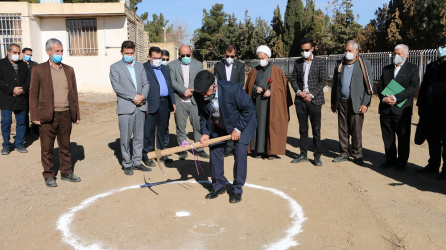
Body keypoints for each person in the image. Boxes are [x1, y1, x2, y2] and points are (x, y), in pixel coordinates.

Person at [193, 70, 257, 203]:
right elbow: (204, 115)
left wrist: (238, 129)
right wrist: (205, 132)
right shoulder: (199, 94)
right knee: (215, 151)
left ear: (214, 86)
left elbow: (249, 109)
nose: (203, 95)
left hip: (242, 123)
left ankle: (237, 189)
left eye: (206, 92)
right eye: (201, 92)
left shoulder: (232, 89)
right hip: (218, 123)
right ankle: (218, 185)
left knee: (239, 152)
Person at [29, 38, 81, 187]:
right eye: (57, 51)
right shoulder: (39, 70)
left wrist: (76, 114)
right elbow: (33, 94)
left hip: (65, 114)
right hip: (47, 115)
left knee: (65, 147)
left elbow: (74, 93)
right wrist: (34, 116)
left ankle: (66, 172)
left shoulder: (69, 70)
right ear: (48, 52)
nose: (60, 54)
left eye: (61, 51)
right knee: (47, 148)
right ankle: (49, 175)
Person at [110, 40, 152, 176]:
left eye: (131, 53)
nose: (129, 55)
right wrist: (134, 96)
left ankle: (137, 161)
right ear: (122, 53)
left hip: (140, 106)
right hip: (126, 107)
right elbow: (117, 87)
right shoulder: (115, 67)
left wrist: (142, 97)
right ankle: (127, 163)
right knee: (125, 138)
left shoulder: (140, 67)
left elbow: (146, 83)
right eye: (127, 53)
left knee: (139, 137)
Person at [244, 45, 292, 160]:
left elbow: (282, 89)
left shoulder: (277, 71)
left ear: (268, 57)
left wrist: (272, 91)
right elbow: (249, 86)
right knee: (259, 126)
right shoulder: (253, 71)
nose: (261, 61)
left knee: (271, 126)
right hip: (257, 104)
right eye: (259, 58)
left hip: (272, 105)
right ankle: (259, 150)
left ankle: (271, 151)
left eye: (262, 58)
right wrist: (255, 88)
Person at [331, 40, 373, 166]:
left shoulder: (364, 64)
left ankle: (357, 154)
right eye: (346, 50)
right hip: (342, 101)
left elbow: (369, 86)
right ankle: (344, 153)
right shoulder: (340, 64)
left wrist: (365, 103)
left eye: (349, 51)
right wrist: (334, 102)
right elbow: (335, 85)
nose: (347, 53)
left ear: (356, 51)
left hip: (357, 102)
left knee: (356, 130)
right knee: (342, 129)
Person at [377, 44, 419, 172]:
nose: (396, 56)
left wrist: (396, 98)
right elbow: (380, 86)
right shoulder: (386, 69)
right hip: (386, 109)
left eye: (399, 54)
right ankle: (390, 160)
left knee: (403, 137)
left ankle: (401, 163)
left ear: (406, 55)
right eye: (395, 53)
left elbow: (413, 88)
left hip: (401, 109)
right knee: (387, 136)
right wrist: (384, 98)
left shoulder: (412, 68)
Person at [290, 38, 326, 166]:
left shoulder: (320, 62)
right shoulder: (298, 63)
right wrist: (299, 92)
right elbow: (293, 80)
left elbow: (323, 81)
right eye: (302, 50)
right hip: (300, 100)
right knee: (303, 129)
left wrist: (311, 95)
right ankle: (303, 154)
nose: (304, 52)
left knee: (316, 130)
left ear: (312, 49)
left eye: (306, 49)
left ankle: (317, 156)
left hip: (315, 101)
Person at [169, 44, 209, 160]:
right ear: (179, 55)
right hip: (180, 101)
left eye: (188, 55)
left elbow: (199, 79)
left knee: (197, 126)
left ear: (191, 54)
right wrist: (183, 90)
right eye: (183, 55)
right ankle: (183, 149)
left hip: (194, 101)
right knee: (181, 127)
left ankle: (199, 148)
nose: (186, 57)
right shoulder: (172, 65)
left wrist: (190, 91)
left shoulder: (197, 64)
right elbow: (172, 81)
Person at [416, 36, 446, 180]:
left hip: (444, 112)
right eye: (439, 45)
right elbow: (423, 88)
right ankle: (433, 164)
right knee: (432, 139)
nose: (441, 47)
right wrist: (420, 106)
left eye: (444, 45)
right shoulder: (432, 66)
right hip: (430, 110)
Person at [142, 47, 176, 166]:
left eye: (159, 58)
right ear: (149, 57)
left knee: (162, 130)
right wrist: (144, 105)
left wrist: (173, 102)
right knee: (149, 131)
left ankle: (161, 153)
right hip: (151, 103)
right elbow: (142, 88)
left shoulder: (165, 69)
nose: (158, 60)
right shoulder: (143, 68)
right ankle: (147, 154)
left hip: (164, 103)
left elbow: (170, 86)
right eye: (155, 58)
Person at [214, 44, 246, 157]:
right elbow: (216, 81)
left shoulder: (240, 66)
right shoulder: (218, 66)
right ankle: (226, 146)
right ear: (224, 54)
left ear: (235, 55)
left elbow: (241, 82)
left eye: (232, 56)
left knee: (234, 120)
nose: (230, 58)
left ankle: (232, 146)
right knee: (224, 121)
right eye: (228, 56)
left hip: (235, 97)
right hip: (222, 97)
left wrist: (233, 93)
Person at [0, 43, 30, 155]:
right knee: (6, 122)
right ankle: (6, 145)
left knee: (21, 122)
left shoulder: (23, 65)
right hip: (6, 98)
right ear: (8, 52)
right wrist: (12, 89)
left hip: (21, 98)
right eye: (14, 52)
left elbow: (28, 80)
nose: (17, 55)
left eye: (18, 53)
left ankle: (19, 144)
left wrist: (22, 89)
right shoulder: (1, 63)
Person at [22, 47, 39, 136]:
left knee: (35, 111)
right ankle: (26, 131)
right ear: (23, 54)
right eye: (27, 54)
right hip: (23, 93)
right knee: (24, 112)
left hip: (33, 91)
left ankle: (36, 129)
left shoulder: (35, 65)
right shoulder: (19, 64)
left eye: (30, 55)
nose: (29, 56)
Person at [161, 49, 172, 149]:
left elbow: (170, 87)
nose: (165, 61)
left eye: (166, 59)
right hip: (155, 103)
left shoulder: (168, 70)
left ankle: (164, 148)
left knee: (165, 126)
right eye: (163, 59)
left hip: (166, 103)